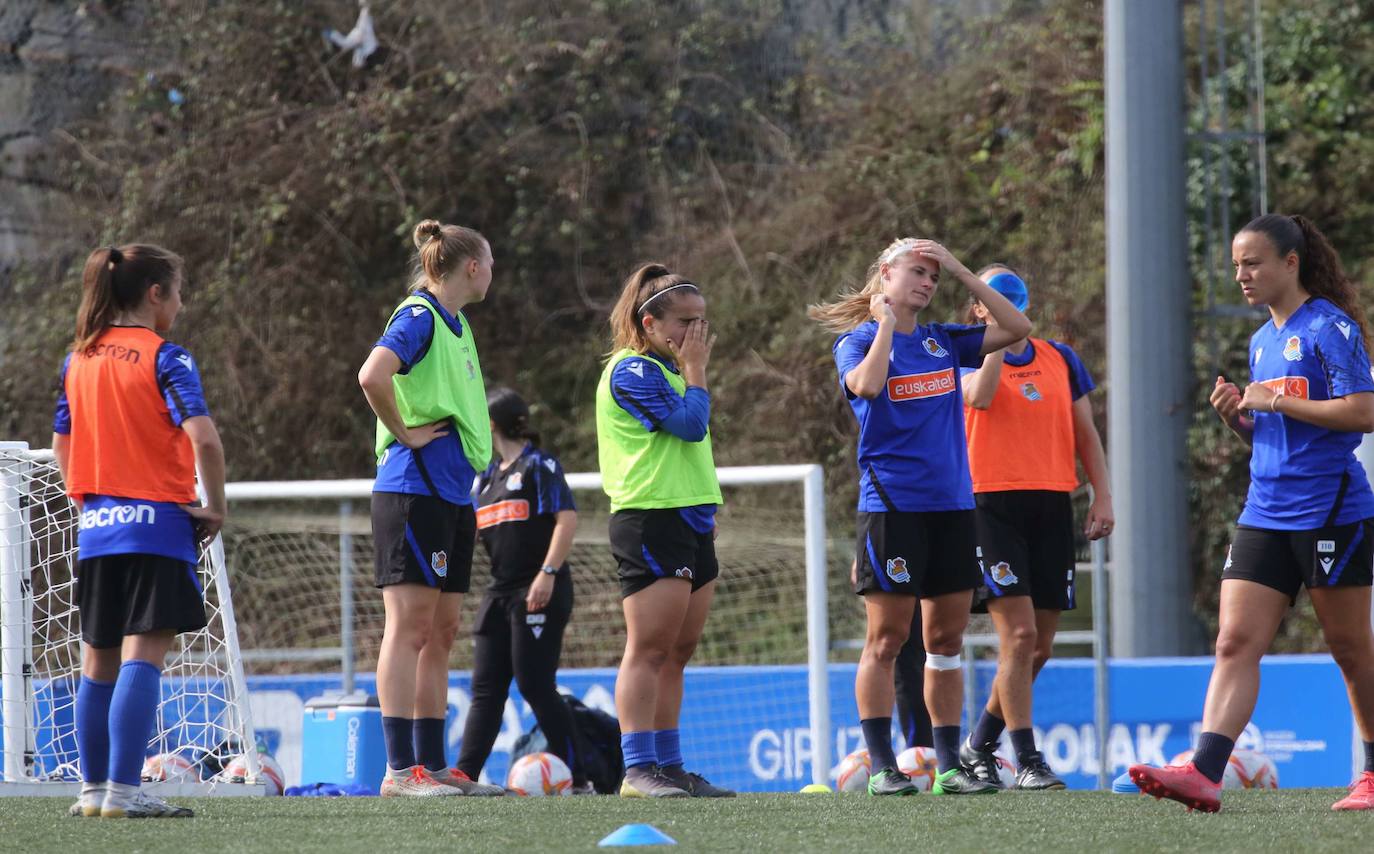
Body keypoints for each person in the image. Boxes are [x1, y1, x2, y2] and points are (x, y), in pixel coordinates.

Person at [1130, 214, 1374, 812]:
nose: (1241, 274)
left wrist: (1280, 401)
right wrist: (1240, 418)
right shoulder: (1262, 339)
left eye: (1253, 262)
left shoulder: (1330, 328)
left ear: (1291, 263)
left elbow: (1364, 412)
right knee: (1234, 640)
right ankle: (1206, 770)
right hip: (1265, 510)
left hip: (1330, 511)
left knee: (1348, 647)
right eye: (1237, 264)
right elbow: (1276, 434)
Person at [810, 237, 1030, 795]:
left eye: (934, 276)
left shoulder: (942, 340)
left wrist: (960, 267)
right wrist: (885, 326)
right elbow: (867, 384)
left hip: (953, 508)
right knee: (886, 640)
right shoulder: (857, 339)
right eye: (918, 271)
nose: (928, 283)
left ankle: (948, 763)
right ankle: (884, 765)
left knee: (947, 641)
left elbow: (1016, 327)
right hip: (893, 508)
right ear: (886, 274)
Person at [53, 243, 223, 818]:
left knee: (96, 660)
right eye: (177, 291)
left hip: (97, 529)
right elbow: (204, 439)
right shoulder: (166, 357)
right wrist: (215, 507)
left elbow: (62, 443)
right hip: (157, 525)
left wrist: (87, 503)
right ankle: (126, 792)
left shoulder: (77, 359)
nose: (181, 302)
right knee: (142, 658)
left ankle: (92, 791)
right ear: (155, 295)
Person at [357, 220, 503, 797]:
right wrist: (406, 434)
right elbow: (372, 375)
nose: (493, 273)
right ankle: (399, 771)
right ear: (471, 267)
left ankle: (433, 767)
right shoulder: (418, 316)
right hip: (412, 491)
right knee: (409, 628)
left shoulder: (458, 324)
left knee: (441, 633)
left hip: (450, 493)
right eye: (490, 262)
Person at [957, 264, 1112, 790]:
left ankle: (978, 745)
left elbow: (1085, 433)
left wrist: (1102, 495)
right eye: (994, 296)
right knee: (1018, 637)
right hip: (991, 507)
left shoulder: (1060, 358)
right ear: (978, 306)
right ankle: (1026, 759)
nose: (1008, 300)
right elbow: (978, 397)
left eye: (1014, 293)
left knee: (1039, 647)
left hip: (1051, 504)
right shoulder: (962, 353)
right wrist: (998, 339)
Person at [595, 262, 733, 798]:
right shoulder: (632, 371)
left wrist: (704, 506)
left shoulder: (673, 369)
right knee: (648, 648)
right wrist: (697, 369)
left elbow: (689, 449)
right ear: (649, 322)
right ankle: (637, 770)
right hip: (650, 519)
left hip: (690, 518)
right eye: (684, 321)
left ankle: (670, 766)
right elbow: (688, 425)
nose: (695, 333)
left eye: (701, 321)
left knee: (679, 650)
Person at [455, 387, 588, 792]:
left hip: (538, 588)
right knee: (485, 689)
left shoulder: (539, 465)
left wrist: (547, 572)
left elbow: (566, 520)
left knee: (534, 683)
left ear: (490, 423)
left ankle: (579, 778)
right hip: (500, 593)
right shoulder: (486, 477)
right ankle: (463, 777)